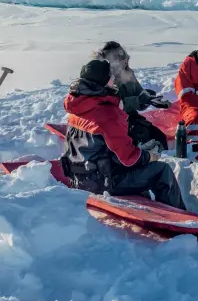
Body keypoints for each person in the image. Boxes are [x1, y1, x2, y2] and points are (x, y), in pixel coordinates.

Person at [61, 58, 186, 209]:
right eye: (110, 76)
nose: (114, 79)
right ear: (102, 81)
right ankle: (179, 217)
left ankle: (148, 206)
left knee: (140, 172)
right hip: (102, 183)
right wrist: (149, 156)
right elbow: (129, 159)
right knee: (161, 171)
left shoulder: (79, 106)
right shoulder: (107, 113)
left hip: (79, 178)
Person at [95, 41, 170, 152]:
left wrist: (149, 98)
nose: (123, 63)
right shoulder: (102, 78)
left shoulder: (128, 74)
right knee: (140, 140)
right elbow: (113, 105)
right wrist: (138, 101)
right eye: (119, 60)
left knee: (159, 137)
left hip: (130, 119)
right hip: (111, 123)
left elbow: (139, 92)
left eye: (124, 60)